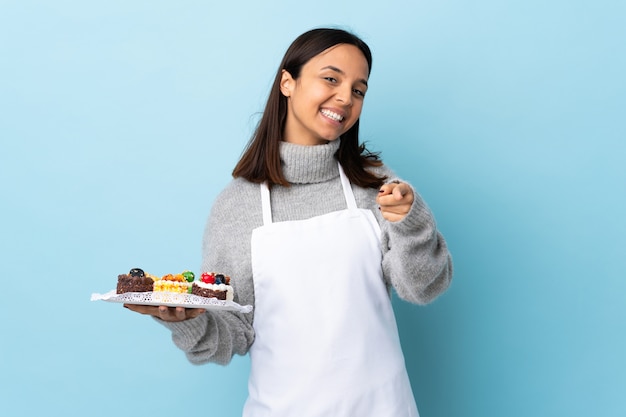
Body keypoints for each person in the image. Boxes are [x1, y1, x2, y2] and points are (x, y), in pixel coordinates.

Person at [125, 27, 453, 416]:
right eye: (331, 79)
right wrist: (185, 321)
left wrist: (411, 224)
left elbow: (422, 288)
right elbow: (233, 334)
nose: (346, 98)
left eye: (359, 89)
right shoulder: (237, 206)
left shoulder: (377, 186)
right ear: (288, 82)